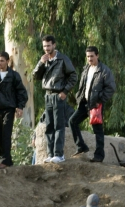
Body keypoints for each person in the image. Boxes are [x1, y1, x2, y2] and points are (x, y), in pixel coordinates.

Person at [33, 35, 77, 164]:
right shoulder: (45, 60)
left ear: (54, 45)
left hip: (59, 95)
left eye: (48, 46)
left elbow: (73, 76)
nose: (46, 49)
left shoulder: (62, 59)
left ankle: (59, 154)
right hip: (47, 95)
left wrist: (65, 91)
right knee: (49, 125)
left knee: (59, 125)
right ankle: (51, 153)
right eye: (44, 46)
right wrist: (41, 63)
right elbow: (35, 75)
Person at [69, 46, 116, 163]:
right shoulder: (86, 69)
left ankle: (99, 156)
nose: (89, 59)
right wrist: (78, 96)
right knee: (72, 121)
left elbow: (111, 88)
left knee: (98, 131)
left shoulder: (104, 70)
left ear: (97, 55)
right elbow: (83, 85)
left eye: (92, 56)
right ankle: (81, 146)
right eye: (88, 56)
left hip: (95, 104)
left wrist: (100, 100)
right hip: (84, 102)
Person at [0, 51, 28, 169]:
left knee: (6, 133)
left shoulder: (14, 75)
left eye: (2, 61)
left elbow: (22, 92)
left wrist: (20, 106)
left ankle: (5, 160)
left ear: (7, 61)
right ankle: (5, 160)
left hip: (9, 108)